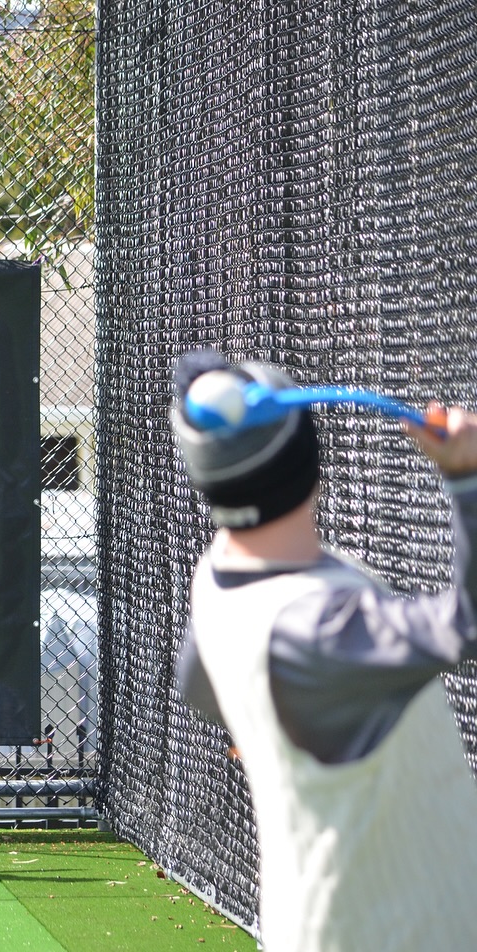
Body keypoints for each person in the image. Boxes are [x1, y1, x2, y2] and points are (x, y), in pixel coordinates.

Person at [170, 348, 477, 951]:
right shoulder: (320, 628)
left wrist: (277, 726)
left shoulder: (218, 574)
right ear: (309, 465)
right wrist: (466, 480)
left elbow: (194, 682)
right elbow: (464, 624)